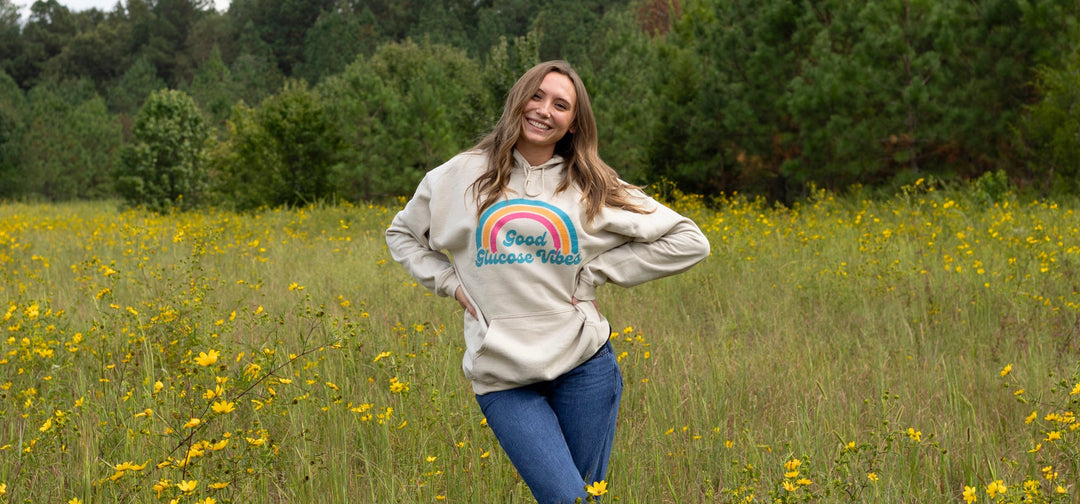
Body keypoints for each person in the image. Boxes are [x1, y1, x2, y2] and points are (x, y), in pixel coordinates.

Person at [385, 60, 710, 503]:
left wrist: (595, 273)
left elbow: (689, 239)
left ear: (573, 123)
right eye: (536, 96)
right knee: (566, 498)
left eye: (561, 104)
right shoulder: (457, 177)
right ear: (518, 100)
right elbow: (402, 234)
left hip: (584, 365)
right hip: (503, 372)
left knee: (584, 497)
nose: (544, 110)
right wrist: (449, 282)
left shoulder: (592, 184)